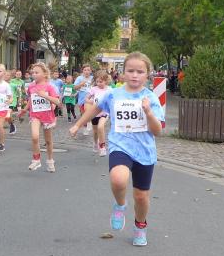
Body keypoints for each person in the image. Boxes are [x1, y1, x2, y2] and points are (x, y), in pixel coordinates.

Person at [69, 52, 165, 246]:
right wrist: (78, 124)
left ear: (147, 74)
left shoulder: (151, 98)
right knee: (118, 179)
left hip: (144, 150)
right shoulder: (113, 94)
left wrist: (148, 112)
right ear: (123, 72)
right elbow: (96, 108)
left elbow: (158, 131)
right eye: (130, 71)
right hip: (120, 145)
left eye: (140, 72)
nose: (135, 75)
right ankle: (120, 205)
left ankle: (140, 226)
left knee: (141, 196)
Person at [20, 62, 60, 172]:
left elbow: (57, 102)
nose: (34, 74)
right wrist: (24, 109)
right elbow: (30, 99)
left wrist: (45, 96)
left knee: (48, 141)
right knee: (35, 137)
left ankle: (50, 161)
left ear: (45, 74)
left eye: (37, 72)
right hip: (35, 115)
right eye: (33, 72)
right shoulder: (31, 86)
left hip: (47, 116)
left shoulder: (49, 86)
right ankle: (36, 160)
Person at [86, 70, 113, 156]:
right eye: (97, 81)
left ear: (106, 80)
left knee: (100, 127)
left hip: (104, 112)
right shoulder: (94, 89)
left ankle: (102, 147)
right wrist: (92, 101)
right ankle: (95, 143)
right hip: (95, 113)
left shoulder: (109, 89)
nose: (98, 83)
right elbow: (86, 99)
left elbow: (113, 100)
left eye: (101, 82)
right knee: (95, 132)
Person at [74, 64, 94, 135]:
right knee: (83, 115)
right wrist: (81, 84)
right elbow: (75, 87)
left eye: (88, 70)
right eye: (85, 70)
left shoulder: (93, 78)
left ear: (91, 71)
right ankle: (85, 128)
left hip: (90, 99)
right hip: (81, 100)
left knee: (88, 112)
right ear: (82, 71)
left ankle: (89, 122)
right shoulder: (79, 78)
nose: (86, 71)